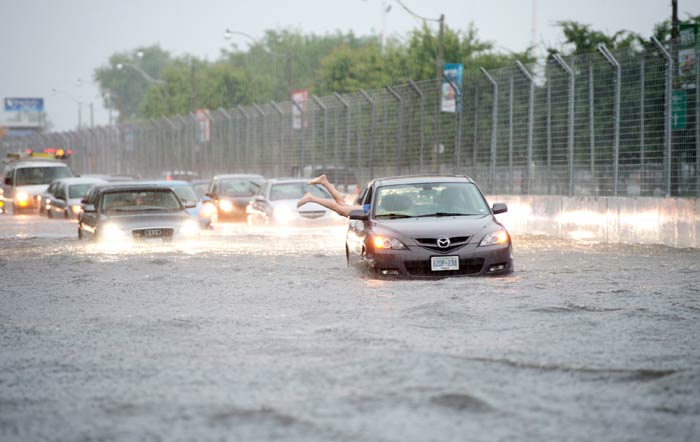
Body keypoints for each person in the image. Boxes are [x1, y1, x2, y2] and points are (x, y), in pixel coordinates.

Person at [297, 175, 363, 217]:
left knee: (341, 204)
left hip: (371, 208)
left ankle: (324, 182)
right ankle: (311, 198)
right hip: (371, 209)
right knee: (340, 209)